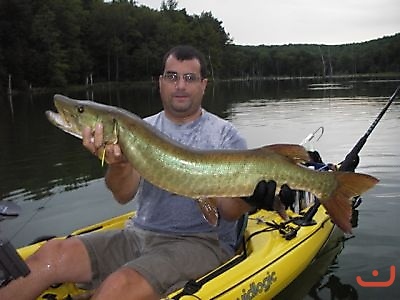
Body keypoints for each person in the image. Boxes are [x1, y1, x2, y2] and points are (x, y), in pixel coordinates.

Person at [0, 45, 278, 300]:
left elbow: (227, 212)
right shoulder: (140, 129)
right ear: (160, 82)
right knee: (52, 254)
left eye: (190, 78)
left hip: (202, 242)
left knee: (117, 288)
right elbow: (122, 194)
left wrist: (251, 198)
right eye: (172, 76)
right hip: (139, 234)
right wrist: (119, 163)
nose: (180, 85)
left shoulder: (225, 137)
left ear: (203, 85)